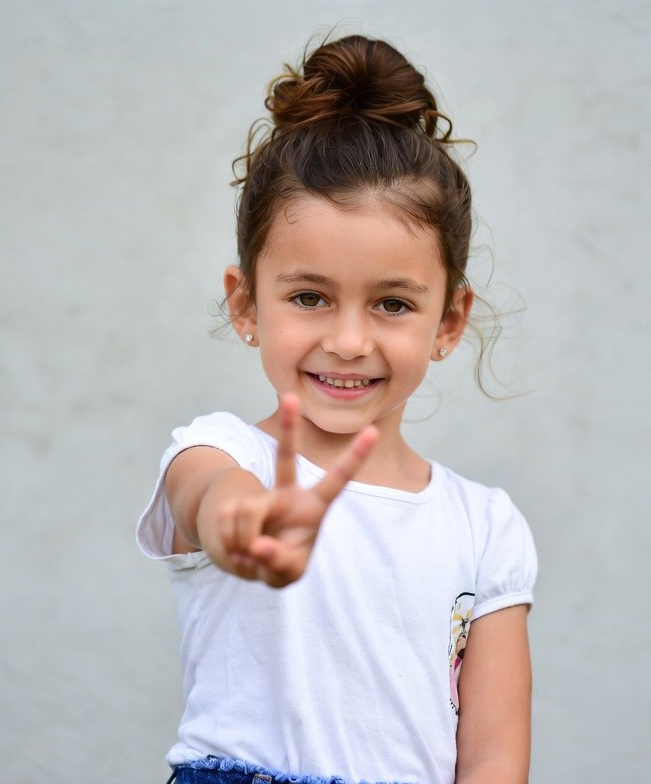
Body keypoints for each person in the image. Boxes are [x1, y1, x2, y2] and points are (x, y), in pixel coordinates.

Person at [137, 33, 538, 784]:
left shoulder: (487, 528)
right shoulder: (223, 455)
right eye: (309, 297)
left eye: (392, 303)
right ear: (245, 303)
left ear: (448, 321)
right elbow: (211, 500)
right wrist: (242, 526)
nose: (348, 341)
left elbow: (492, 756)